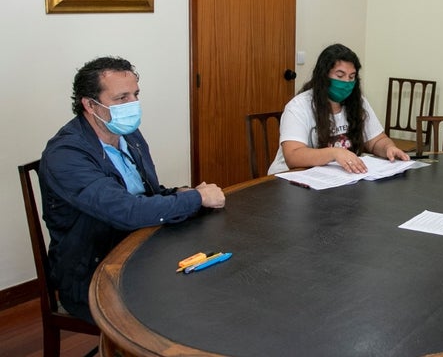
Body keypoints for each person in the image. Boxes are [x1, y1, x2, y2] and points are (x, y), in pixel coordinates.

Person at [39, 57, 225, 324]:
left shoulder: (129, 136)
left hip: (141, 251)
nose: (132, 105)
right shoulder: (65, 155)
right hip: (94, 274)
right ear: (90, 104)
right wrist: (195, 198)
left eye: (135, 95)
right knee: (189, 301)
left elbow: (143, 194)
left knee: (215, 276)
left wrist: (182, 192)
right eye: (121, 98)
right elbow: (127, 211)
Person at [267, 43, 410, 175]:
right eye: (340, 76)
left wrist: (388, 148)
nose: (346, 82)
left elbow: (377, 140)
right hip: (290, 178)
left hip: (334, 179)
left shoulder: (357, 102)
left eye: (351, 77)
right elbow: (293, 156)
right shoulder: (298, 106)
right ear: (323, 76)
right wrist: (334, 153)